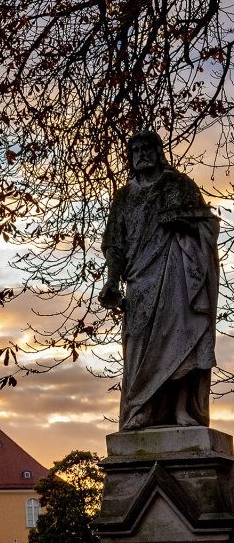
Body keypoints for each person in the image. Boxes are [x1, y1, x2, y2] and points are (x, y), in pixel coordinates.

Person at [101, 130, 219, 429]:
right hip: (140, 282)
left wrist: (182, 222)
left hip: (178, 275)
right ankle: (142, 409)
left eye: (147, 148)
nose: (141, 153)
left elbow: (208, 226)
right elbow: (114, 244)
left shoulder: (178, 185)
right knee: (138, 347)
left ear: (158, 151)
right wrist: (112, 282)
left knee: (183, 343)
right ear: (130, 158)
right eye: (135, 149)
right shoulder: (124, 197)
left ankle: (182, 411)